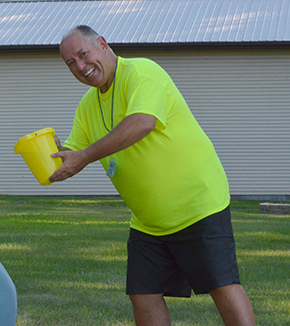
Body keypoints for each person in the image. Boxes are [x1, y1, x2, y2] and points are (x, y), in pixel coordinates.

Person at [49, 25, 255, 326]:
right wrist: (52, 151)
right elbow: (75, 152)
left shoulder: (142, 73)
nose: (80, 66)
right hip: (149, 221)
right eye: (71, 63)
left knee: (221, 284)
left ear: (103, 44)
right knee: (143, 294)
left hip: (197, 204)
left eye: (83, 54)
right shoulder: (88, 106)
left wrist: (83, 156)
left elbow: (142, 122)